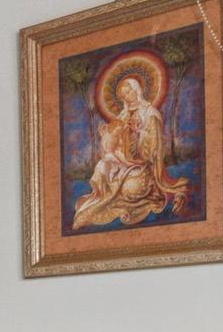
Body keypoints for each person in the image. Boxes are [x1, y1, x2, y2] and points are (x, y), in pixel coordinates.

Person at [72, 75, 190, 229]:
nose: (127, 97)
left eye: (128, 92)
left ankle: (120, 193)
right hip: (122, 164)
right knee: (102, 167)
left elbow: (154, 147)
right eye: (123, 95)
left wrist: (139, 132)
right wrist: (111, 136)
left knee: (131, 188)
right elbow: (113, 145)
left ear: (137, 90)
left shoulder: (150, 114)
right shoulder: (122, 115)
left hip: (143, 166)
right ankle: (103, 195)